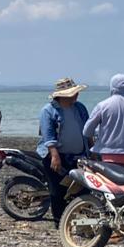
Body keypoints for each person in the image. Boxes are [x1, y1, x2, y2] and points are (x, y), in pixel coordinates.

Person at [37, 78, 91, 226]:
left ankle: (81, 222)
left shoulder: (79, 108)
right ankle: (59, 222)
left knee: (82, 189)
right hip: (56, 156)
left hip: (79, 155)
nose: (76, 95)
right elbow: (48, 135)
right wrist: (54, 155)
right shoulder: (48, 111)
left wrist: (92, 151)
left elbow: (87, 130)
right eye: (73, 93)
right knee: (58, 190)